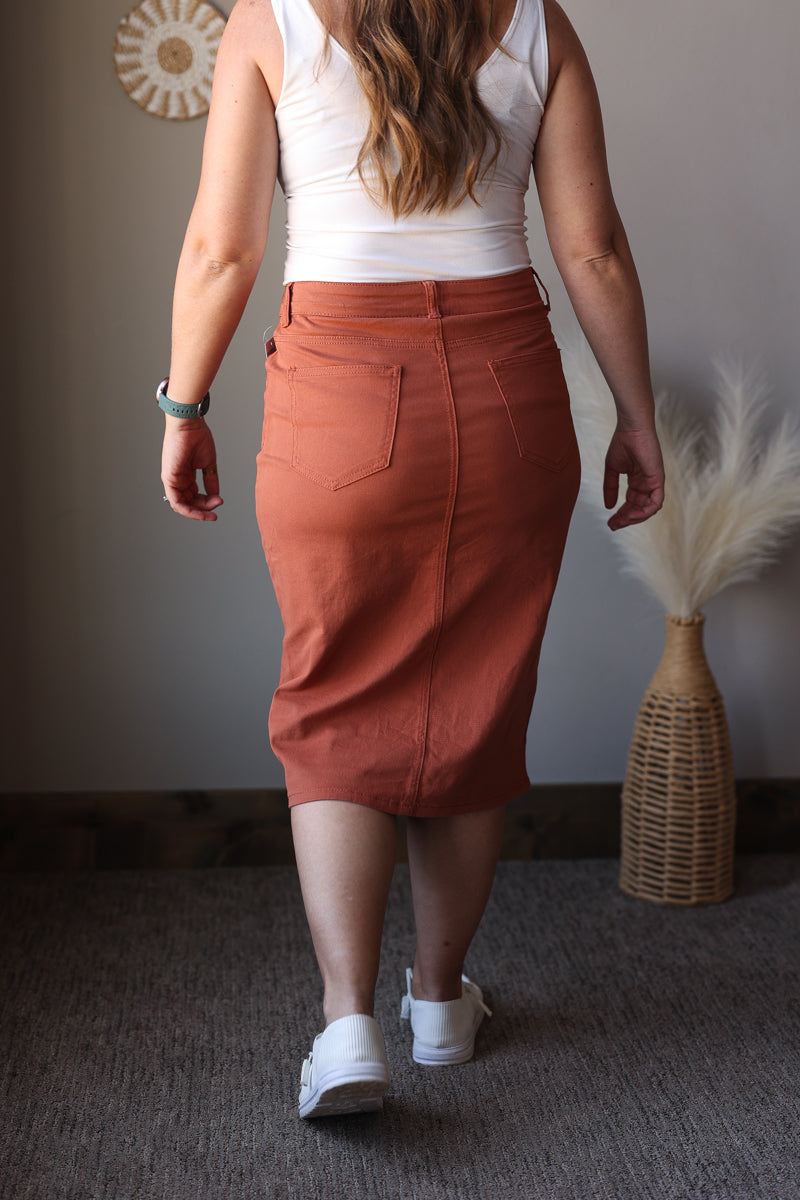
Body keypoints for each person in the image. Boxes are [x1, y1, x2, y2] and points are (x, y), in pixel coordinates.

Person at [160, 0, 664, 1119]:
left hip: (337, 387)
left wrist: (181, 405)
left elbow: (221, 248)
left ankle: (347, 1027)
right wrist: (634, 416)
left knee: (332, 694)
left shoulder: (271, 19)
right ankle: (438, 1003)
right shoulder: (534, 20)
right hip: (506, 387)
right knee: (475, 696)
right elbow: (589, 246)